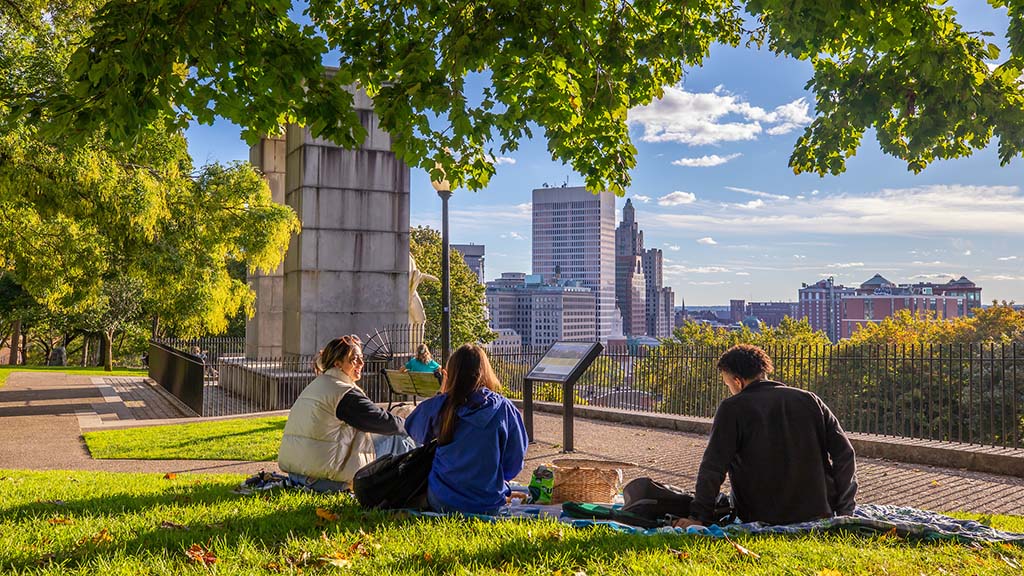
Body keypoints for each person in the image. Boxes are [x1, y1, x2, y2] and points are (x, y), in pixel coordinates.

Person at [675, 344, 857, 528]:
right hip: (817, 511)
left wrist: (699, 516)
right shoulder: (810, 400)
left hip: (759, 513)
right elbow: (845, 454)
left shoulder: (733, 408)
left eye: (727, 383)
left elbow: (713, 466)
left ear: (738, 381)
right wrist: (844, 510)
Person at [278, 335, 415, 492]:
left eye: (362, 358)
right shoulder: (343, 393)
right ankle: (414, 482)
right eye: (354, 359)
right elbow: (383, 422)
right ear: (338, 364)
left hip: (299, 475)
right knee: (399, 435)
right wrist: (412, 424)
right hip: (322, 481)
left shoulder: (319, 385)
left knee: (392, 431)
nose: (361, 363)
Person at [405, 344, 528, 515]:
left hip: (441, 500)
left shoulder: (441, 405)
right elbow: (513, 464)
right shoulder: (504, 409)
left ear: (451, 374)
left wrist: (442, 392)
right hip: (487, 503)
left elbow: (413, 429)